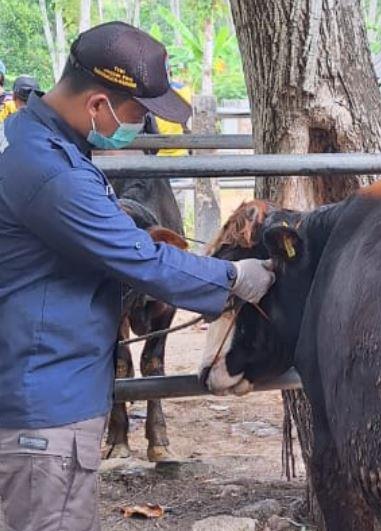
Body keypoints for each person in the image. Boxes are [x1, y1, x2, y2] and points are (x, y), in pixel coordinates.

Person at [0, 22, 275, 530]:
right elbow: (140, 262)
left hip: (61, 390)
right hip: (47, 405)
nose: (142, 123)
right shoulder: (50, 172)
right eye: (139, 112)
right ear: (98, 104)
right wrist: (234, 277)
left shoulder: (54, 152)